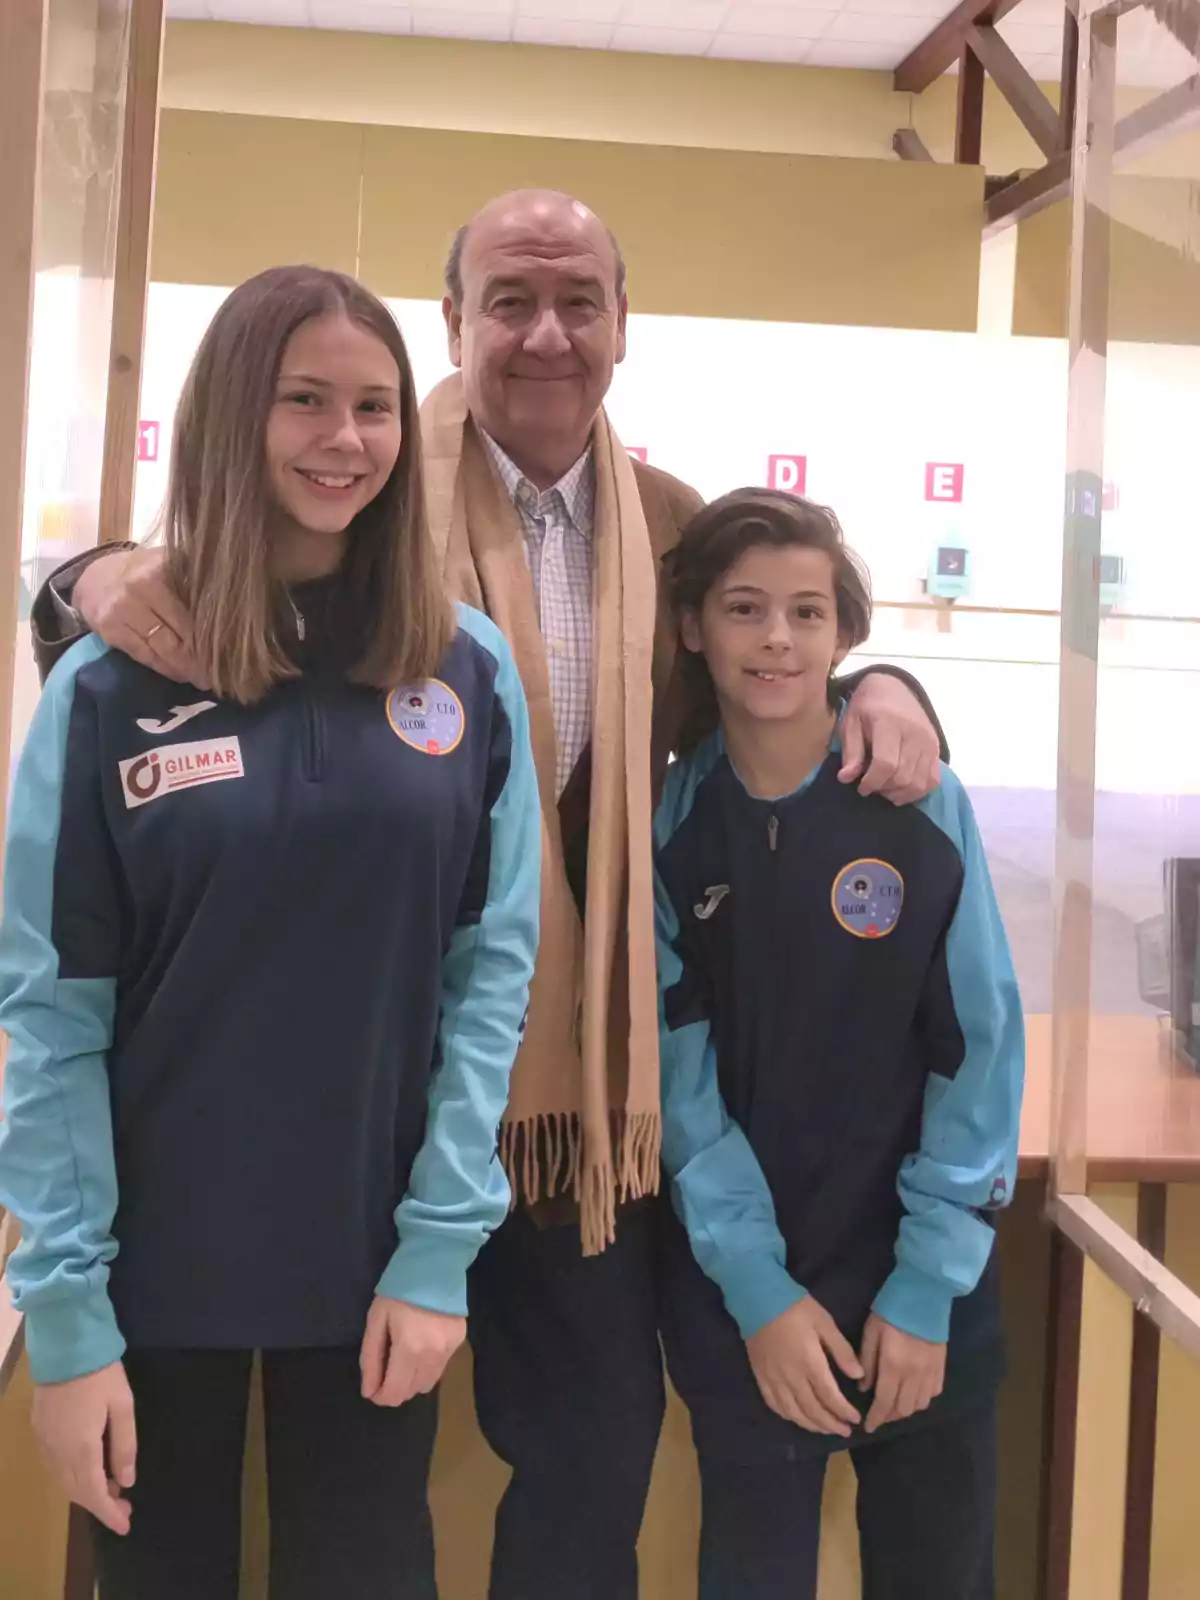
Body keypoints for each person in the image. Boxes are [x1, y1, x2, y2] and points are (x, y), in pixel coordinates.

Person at [28, 191, 946, 1600]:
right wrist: (79, 578)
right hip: (357, 1115)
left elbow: (792, 642)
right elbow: (169, 616)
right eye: (508, 300)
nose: (545, 333)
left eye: (580, 300)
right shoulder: (359, 523)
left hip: (583, 1088)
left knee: (585, 1444)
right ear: (452, 325)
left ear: (624, 326)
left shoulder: (672, 530)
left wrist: (887, 683)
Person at [0, 265, 540, 1600]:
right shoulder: (112, 682)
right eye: (304, 400)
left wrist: (437, 1248)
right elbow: (52, 1008)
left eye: (371, 406)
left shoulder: (461, 668)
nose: (344, 440)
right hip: (149, 1280)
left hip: (373, 1269)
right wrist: (65, 1315)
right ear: (234, 415)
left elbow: (488, 978)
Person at [652, 487, 1024, 1600]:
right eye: (745, 608)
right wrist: (759, 1292)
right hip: (752, 1301)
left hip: (923, 1295)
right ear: (691, 628)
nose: (776, 638)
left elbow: (981, 1044)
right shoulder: (673, 830)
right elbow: (682, 1088)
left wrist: (925, 1286)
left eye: (807, 613)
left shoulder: (918, 804)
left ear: (846, 636)